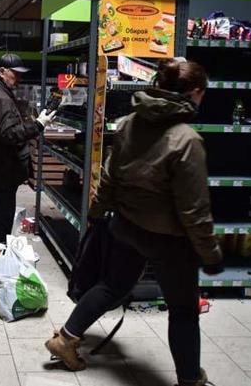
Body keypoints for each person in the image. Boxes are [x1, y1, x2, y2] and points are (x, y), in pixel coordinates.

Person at [44, 58, 223, 386]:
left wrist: (97, 214)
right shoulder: (187, 141)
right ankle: (190, 380)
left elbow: (109, 178)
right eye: (202, 93)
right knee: (183, 311)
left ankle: (66, 339)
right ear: (195, 93)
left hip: (125, 228)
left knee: (112, 286)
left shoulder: (128, 123)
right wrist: (210, 254)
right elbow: (194, 211)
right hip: (168, 241)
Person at [0, 53, 56, 270]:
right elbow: (9, 134)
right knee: (0, 215)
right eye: (15, 74)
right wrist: (38, 125)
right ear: (2, 72)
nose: (18, 79)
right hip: (2, 167)